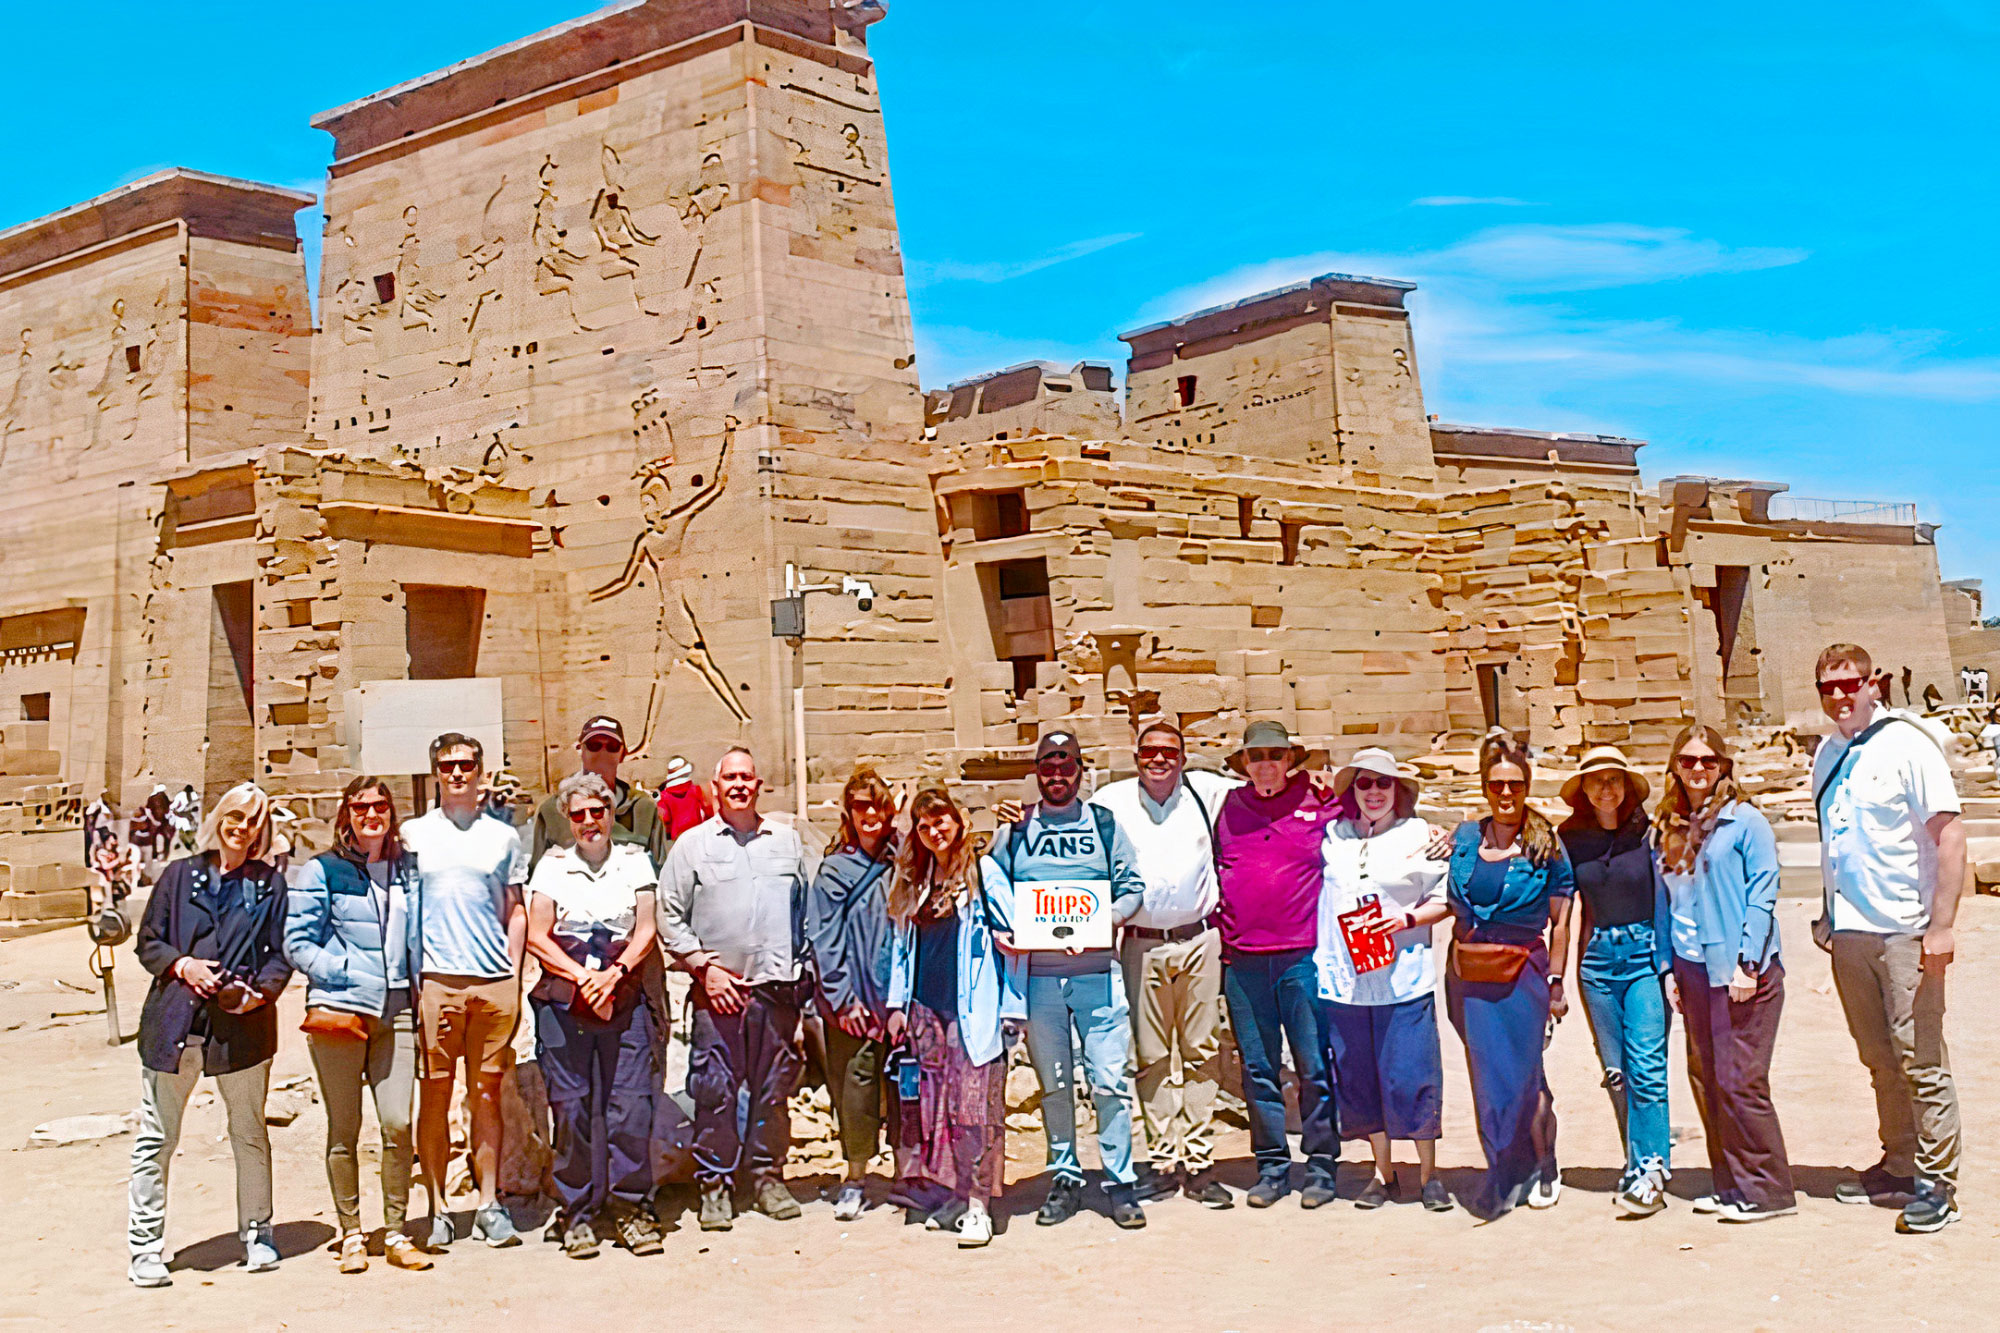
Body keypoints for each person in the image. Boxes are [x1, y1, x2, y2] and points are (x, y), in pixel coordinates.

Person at [1810, 643, 1966, 1234]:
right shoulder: (1826, 754)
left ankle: (1938, 1182)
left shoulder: (1907, 747)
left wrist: (1943, 926)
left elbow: (1950, 837)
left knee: (1921, 1060)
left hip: (1905, 931)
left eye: (1851, 684)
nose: (1842, 696)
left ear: (1873, 683)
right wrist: (1826, 916)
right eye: (1829, 687)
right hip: (1850, 932)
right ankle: (1900, 1162)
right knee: (1878, 1058)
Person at [126, 783, 292, 1288]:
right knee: (157, 1138)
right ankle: (144, 1246)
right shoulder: (180, 876)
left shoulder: (269, 884)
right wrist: (184, 964)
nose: (242, 829)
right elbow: (148, 941)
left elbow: (281, 953)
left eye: (253, 823)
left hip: (239, 1029)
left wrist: (260, 993)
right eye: (235, 818)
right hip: (176, 1025)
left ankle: (258, 1232)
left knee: (248, 1132)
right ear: (219, 819)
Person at [983, 729, 1147, 1229]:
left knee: (1110, 1082)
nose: (1057, 775)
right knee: (1054, 1084)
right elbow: (991, 886)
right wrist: (1004, 933)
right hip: (1040, 982)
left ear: (1080, 769)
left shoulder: (1102, 824)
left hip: (1096, 973)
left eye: (1066, 766)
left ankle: (1119, 1180)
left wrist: (1106, 922)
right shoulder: (1015, 828)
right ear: (1037, 772)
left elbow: (1131, 887)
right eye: (1048, 767)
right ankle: (1065, 1177)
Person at [656, 746, 811, 1231]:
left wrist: (800, 970)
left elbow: (807, 911)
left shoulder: (787, 842)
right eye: (730, 778)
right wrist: (704, 968)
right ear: (715, 786)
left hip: (775, 991)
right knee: (716, 1092)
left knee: (772, 1090)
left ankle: (767, 1177)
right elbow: (668, 915)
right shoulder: (692, 846)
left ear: (759, 784)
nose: (740, 785)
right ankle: (716, 1185)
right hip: (717, 993)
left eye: (748, 776)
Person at [283, 776, 433, 1273]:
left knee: (397, 1122)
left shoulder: (409, 869)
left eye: (380, 805)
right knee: (344, 1128)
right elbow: (298, 942)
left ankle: (394, 1230)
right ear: (345, 813)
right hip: (342, 1011)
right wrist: (348, 972)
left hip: (398, 1011)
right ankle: (351, 1232)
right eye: (361, 806)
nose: (372, 814)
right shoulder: (321, 870)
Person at [1089, 717, 1239, 1209]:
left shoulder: (1206, 793)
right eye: (1149, 751)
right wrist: (1019, 814)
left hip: (1198, 940)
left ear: (1182, 756)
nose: (1159, 759)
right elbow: (1063, 820)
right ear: (1136, 758)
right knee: (1150, 1056)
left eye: (1169, 752)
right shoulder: (1111, 802)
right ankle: (1162, 1158)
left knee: (1200, 1052)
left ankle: (1199, 1161)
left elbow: (1268, 790)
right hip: (1139, 942)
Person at [1656, 725, 1795, 1223]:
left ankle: (1768, 1190)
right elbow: (1670, 902)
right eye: (1689, 760)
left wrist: (1747, 963)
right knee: (1707, 1078)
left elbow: (1763, 893)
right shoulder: (1670, 826)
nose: (1698, 769)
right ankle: (1731, 1183)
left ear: (1724, 766)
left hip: (1739, 970)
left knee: (1741, 1080)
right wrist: (1669, 967)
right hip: (1693, 969)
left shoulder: (1745, 822)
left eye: (1709, 761)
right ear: (1675, 766)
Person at [524, 771, 665, 1259]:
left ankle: (630, 1207)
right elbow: (538, 935)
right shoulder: (552, 866)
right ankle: (577, 1212)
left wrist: (617, 972)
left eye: (597, 811)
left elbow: (647, 927)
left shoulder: (634, 860)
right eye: (579, 814)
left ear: (610, 814)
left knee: (630, 1105)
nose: (589, 822)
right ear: (567, 818)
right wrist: (583, 977)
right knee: (573, 1109)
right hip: (567, 1000)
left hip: (623, 996)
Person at [401, 732, 529, 1251]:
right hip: (437, 982)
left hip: (493, 981)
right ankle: (435, 1207)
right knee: (434, 1095)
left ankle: (489, 1203)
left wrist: (514, 974)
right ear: (435, 772)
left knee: (486, 1095)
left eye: (467, 765)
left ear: (481, 772)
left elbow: (515, 908)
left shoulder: (502, 837)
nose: (458, 773)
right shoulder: (412, 835)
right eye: (448, 765)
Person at [883, 786, 1026, 1247]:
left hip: (974, 1013)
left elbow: (1013, 943)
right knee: (937, 1113)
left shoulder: (982, 874)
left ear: (959, 821)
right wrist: (895, 1004)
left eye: (940, 821)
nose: (933, 832)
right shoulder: (916, 880)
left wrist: (1013, 1007)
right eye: (924, 826)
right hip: (926, 1014)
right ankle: (953, 1196)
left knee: (974, 1112)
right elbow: (902, 949)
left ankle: (981, 1206)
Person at [1213, 719, 1345, 1209]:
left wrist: (1437, 833)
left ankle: (1321, 1166)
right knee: (1259, 1069)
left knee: (1313, 1066)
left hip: (1302, 957)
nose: (1265, 763)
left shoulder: (1322, 803)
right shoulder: (1228, 808)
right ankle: (1271, 1166)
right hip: (1244, 961)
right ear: (1244, 764)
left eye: (1274, 754)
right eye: (1255, 756)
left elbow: (1376, 818)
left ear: (1290, 760)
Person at [1313, 748, 1452, 1213]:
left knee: (1412, 1074)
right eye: (1364, 783)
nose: (1374, 792)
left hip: (1403, 976)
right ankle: (1382, 1171)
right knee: (1359, 1078)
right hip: (1347, 980)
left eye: (1383, 783)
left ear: (1398, 790)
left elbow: (1444, 897)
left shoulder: (1419, 836)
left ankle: (1429, 1174)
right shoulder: (1334, 836)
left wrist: (1407, 917)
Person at [1444, 731, 1575, 1221]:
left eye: (1515, 785)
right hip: (1469, 974)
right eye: (1496, 784)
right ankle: (1503, 1168)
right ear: (1484, 786)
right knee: (1487, 1076)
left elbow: (1562, 920)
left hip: (1524, 974)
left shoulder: (1546, 845)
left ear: (1527, 786)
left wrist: (1557, 981)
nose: (1506, 794)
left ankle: (1544, 1164)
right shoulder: (1464, 838)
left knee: (1525, 1077)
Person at [1555, 745, 1673, 1218]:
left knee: (1647, 1067)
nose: (1606, 787)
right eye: (1595, 779)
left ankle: (1652, 1168)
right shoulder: (1570, 838)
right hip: (1597, 962)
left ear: (1626, 787)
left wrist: (1670, 967)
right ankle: (1636, 1161)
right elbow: (1562, 906)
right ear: (1582, 789)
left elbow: (1671, 896)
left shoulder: (1650, 834)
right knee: (1618, 1072)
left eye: (1614, 779)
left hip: (1644, 955)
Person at [804, 767, 899, 1221]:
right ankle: (856, 1177)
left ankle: (910, 1174)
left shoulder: (905, 858)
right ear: (849, 811)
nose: (870, 815)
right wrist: (843, 998)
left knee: (905, 1088)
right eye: (861, 805)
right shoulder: (834, 870)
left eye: (878, 804)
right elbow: (824, 938)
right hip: (853, 1003)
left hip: (899, 998)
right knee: (856, 1087)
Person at [528, 716, 671, 870]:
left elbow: (661, 870)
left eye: (613, 746)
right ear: (580, 750)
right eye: (594, 745)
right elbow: (536, 875)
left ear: (623, 754)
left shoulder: (644, 808)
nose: (603, 753)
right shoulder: (551, 811)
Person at [654, 755, 714, 839]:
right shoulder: (695, 789)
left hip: (678, 836)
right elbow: (707, 806)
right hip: (697, 831)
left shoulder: (664, 796)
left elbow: (665, 818)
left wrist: (668, 833)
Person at [169, 784, 200, 853]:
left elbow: (174, 804)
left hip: (183, 817)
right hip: (191, 816)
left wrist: (172, 809)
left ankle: (177, 843)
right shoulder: (194, 795)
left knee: (178, 830)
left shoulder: (180, 795)